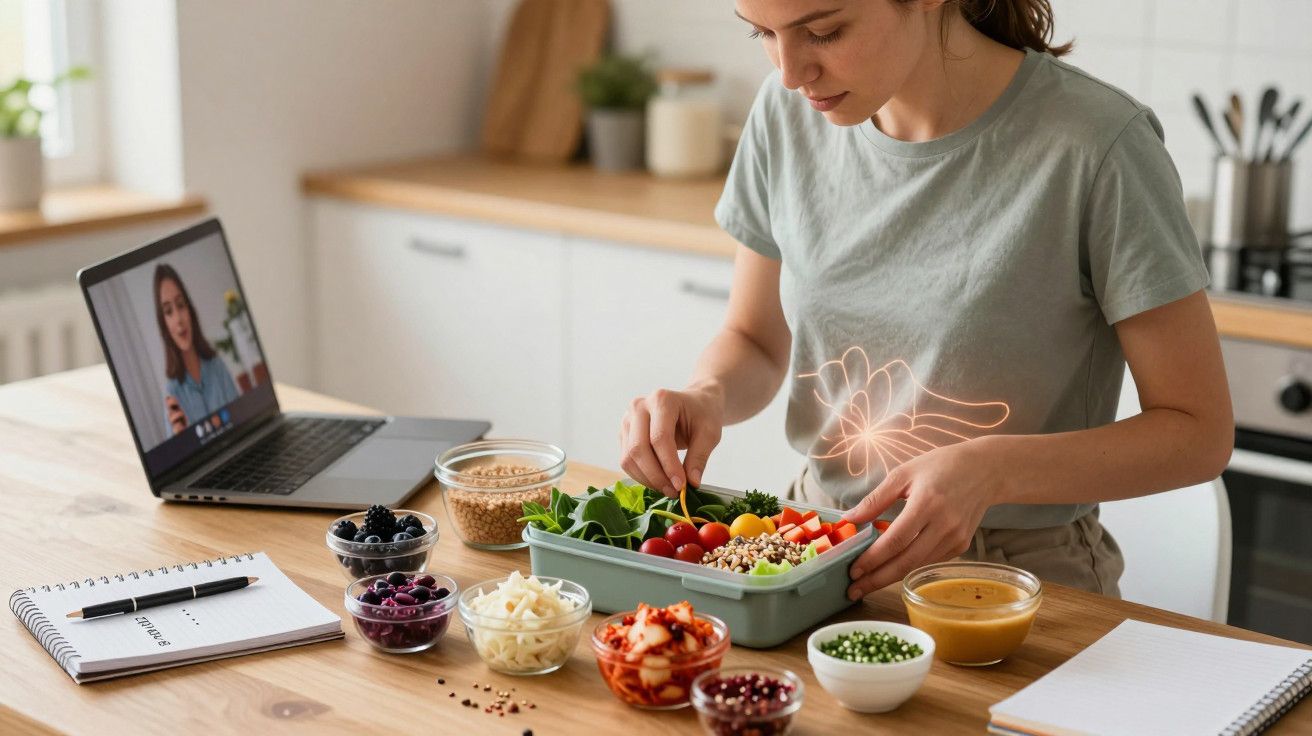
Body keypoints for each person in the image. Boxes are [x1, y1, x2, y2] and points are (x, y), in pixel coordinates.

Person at [617, 0, 1233, 600]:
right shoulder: (785, 115)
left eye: (824, 33)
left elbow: (1197, 432)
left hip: (1012, 584)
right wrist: (708, 395)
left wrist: (991, 470)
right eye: (763, 35)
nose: (789, 72)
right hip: (813, 548)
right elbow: (754, 339)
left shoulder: (1097, 145)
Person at [155, 263, 239, 435]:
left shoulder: (217, 366)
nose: (178, 319)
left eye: (180, 305)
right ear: (164, 325)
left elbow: (241, 421)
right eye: (168, 311)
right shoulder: (172, 393)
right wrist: (181, 439)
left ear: (189, 310)